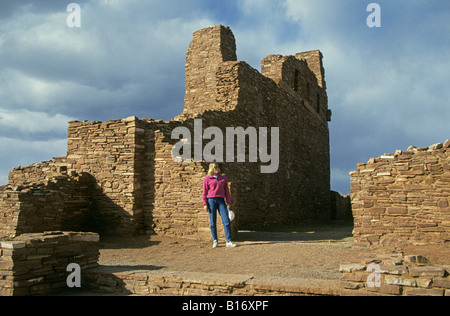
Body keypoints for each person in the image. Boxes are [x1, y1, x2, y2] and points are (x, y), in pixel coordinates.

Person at [203, 163, 236, 248]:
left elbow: (227, 192)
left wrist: (228, 202)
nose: (218, 168)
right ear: (212, 169)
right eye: (216, 167)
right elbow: (205, 192)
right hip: (211, 201)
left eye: (218, 167)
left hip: (221, 201)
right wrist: (205, 203)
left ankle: (228, 241)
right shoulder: (207, 179)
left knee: (226, 221)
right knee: (212, 222)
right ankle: (215, 240)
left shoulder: (223, 178)